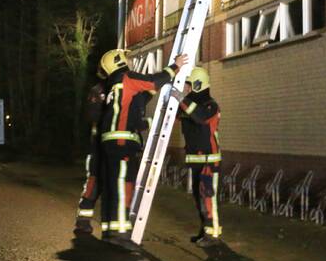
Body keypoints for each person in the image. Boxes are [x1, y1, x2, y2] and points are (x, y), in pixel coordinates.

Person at [98, 49, 187, 250]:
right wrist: (175, 67)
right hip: (122, 143)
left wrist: (153, 114)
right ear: (119, 61)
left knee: (116, 186)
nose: (130, 61)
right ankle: (121, 235)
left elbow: (140, 100)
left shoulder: (115, 85)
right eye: (126, 58)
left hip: (114, 142)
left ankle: (111, 231)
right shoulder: (126, 77)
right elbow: (152, 82)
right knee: (123, 186)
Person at [179, 66, 222, 247]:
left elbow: (200, 117)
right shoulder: (189, 105)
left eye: (188, 85)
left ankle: (213, 234)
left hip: (208, 160)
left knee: (208, 196)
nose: (186, 89)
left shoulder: (210, 105)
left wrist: (182, 99)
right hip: (196, 160)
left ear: (198, 84)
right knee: (199, 198)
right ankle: (205, 230)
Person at [73, 62, 113, 235]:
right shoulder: (98, 92)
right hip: (98, 148)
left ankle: (110, 225)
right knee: (94, 184)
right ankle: (83, 220)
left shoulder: (115, 90)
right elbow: (92, 116)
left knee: (109, 186)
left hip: (110, 147)